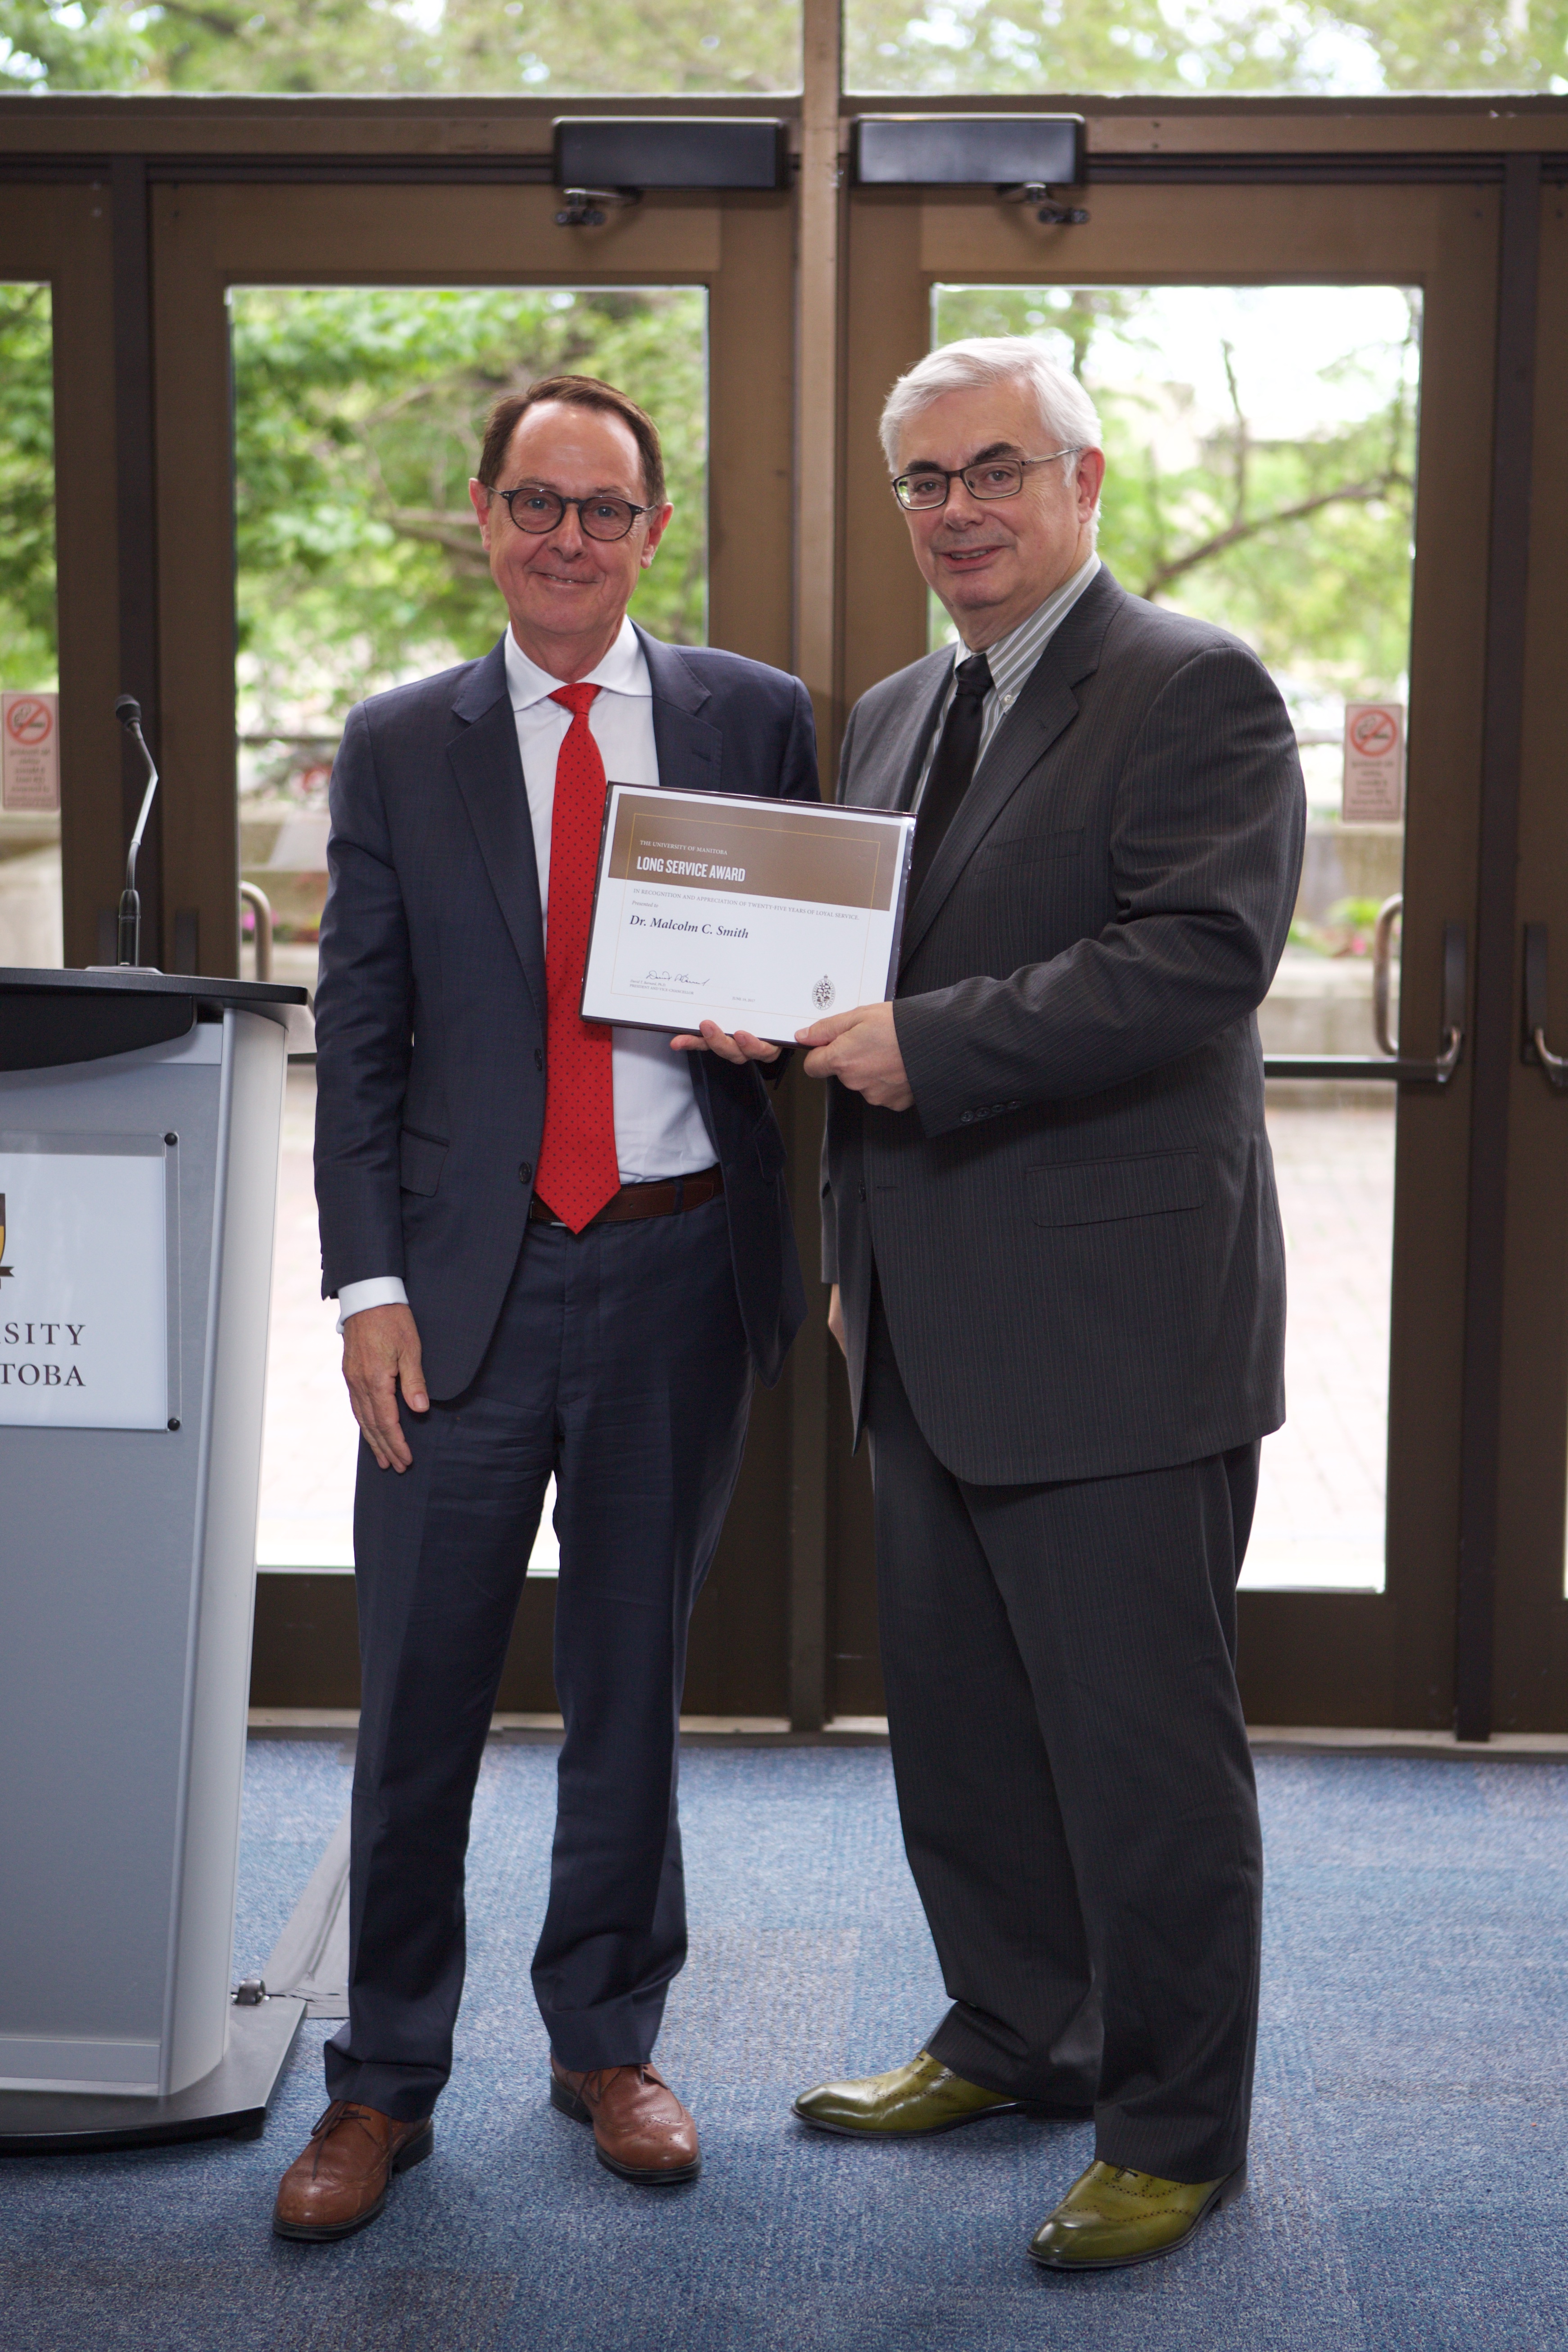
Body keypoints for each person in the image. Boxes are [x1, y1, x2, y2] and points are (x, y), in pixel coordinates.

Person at [273, 374, 817, 2242]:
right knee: (417, 1691)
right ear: (487, 515)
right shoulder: (398, 742)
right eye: (536, 502)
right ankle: (383, 2074)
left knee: (630, 1686)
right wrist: (366, 1286)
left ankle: (607, 2040)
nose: (568, 537)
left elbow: (816, 969)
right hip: (460, 1292)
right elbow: (361, 1038)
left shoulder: (751, 716)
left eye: (604, 508)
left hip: (677, 1264)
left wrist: (786, 1018)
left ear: (653, 530)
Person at [791, 337, 1305, 2273]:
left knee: (1141, 1756)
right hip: (917, 1307)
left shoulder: (1191, 684)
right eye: (925, 481)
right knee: (965, 1726)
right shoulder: (891, 708)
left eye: (996, 468)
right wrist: (837, 1226)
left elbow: (1194, 958)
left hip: (1114, 1324)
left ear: (1085, 481)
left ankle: (1171, 2129)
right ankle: (1017, 2030)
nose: (959, 510)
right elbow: (852, 974)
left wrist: (925, 1044)